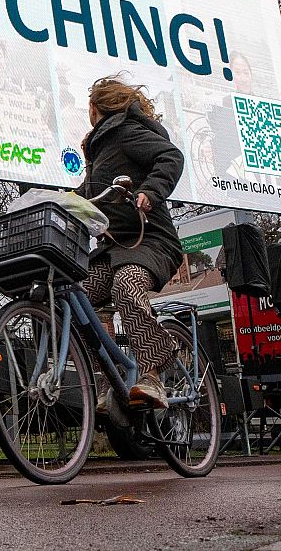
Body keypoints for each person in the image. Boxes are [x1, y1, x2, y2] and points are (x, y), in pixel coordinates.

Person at [76, 77, 186, 408]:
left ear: (94, 107)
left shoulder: (124, 132)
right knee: (75, 297)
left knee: (127, 284)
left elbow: (171, 156)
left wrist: (151, 191)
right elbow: (87, 195)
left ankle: (152, 374)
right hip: (114, 250)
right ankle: (107, 380)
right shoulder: (98, 149)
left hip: (151, 240)